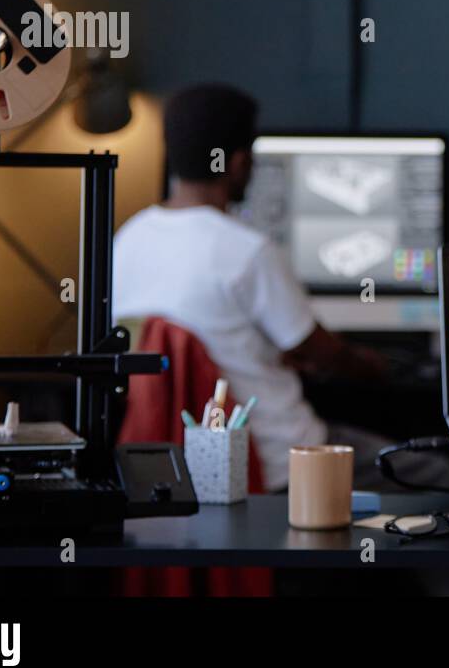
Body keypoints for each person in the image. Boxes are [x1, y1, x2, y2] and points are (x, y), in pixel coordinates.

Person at [113, 83, 401, 493]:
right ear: (239, 162)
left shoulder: (127, 241)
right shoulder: (248, 251)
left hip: (182, 467)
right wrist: (378, 366)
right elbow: (323, 353)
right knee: (426, 469)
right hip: (280, 461)